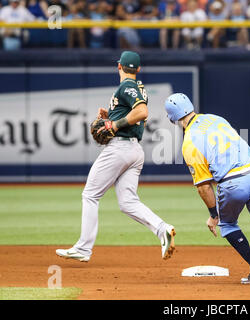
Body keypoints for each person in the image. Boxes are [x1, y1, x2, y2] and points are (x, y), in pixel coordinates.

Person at [56, 51, 176, 263]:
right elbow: (135, 111)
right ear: (138, 69)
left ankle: (84, 248)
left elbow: (141, 112)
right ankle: (162, 229)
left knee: (90, 195)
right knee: (128, 202)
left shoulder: (125, 86)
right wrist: (109, 117)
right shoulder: (138, 87)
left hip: (119, 148)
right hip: (134, 151)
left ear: (119, 66)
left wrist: (114, 124)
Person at [164, 93, 250, 284]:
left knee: (227, 225)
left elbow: (204, 187)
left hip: (232, 182)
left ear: (172, 118)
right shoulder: (215, 118)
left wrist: (214, 214)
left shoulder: (189, 143)